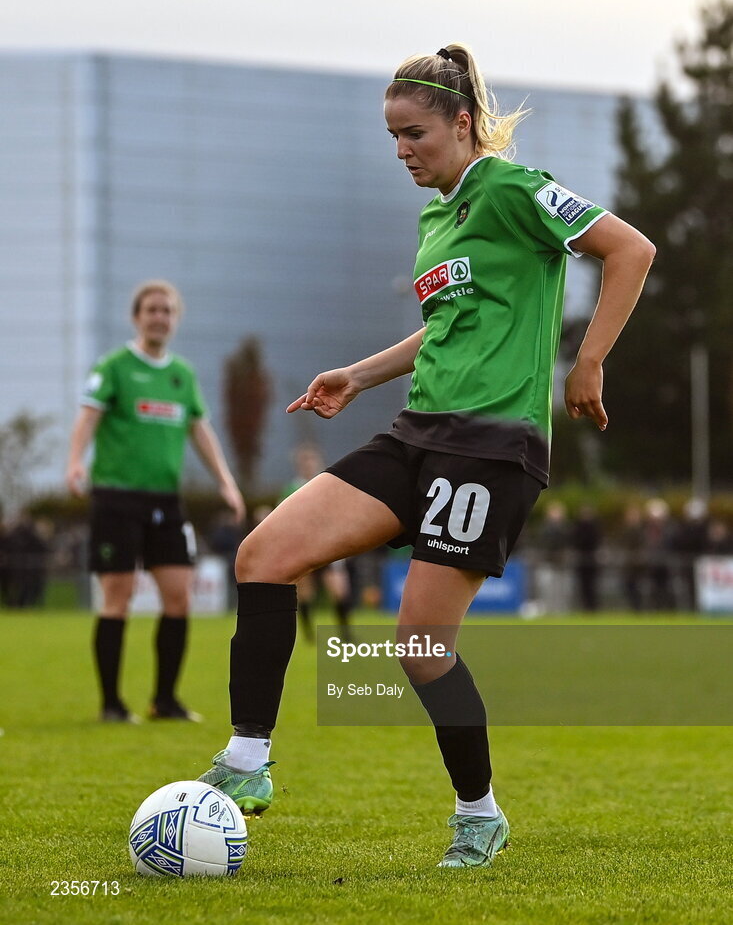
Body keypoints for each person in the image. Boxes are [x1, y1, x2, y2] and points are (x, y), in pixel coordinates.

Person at [197, 43, 655, 868]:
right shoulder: (436, 218)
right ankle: (245, 764)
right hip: (416, 433)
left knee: (419, 645)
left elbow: (630, 250)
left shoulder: (515, 189)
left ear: (462, 122)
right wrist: (359, 375)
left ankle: (478, 814)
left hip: (491, 447)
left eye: (415, 134)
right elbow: (446, 327)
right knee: (265, 554)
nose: (402, 151)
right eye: (392, 137)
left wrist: (587, 360)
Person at [66, 280, 245, 723]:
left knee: (178, 598)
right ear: (136, 316)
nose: (159, 317)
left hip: (165, 501)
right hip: (116, 498)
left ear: (175, 318)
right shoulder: (114, 367)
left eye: (166, 310)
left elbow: (200, 430)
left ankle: (165, 700)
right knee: (117, 598)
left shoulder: (181, 375)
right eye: (151, 310)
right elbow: (87, 418)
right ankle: (112, 704)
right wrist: (75, 462)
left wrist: (225, 480)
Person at [278, 444, 353, 642]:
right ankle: (309, 634)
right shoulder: (292, 488)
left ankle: (345, 633)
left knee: (338, 589)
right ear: (299, 465)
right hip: (304, 545)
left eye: (312, 461)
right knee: (306, 592)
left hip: (329, 545)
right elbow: (283, 517)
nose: (309, 465)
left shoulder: (328, 483)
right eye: (306, 462)